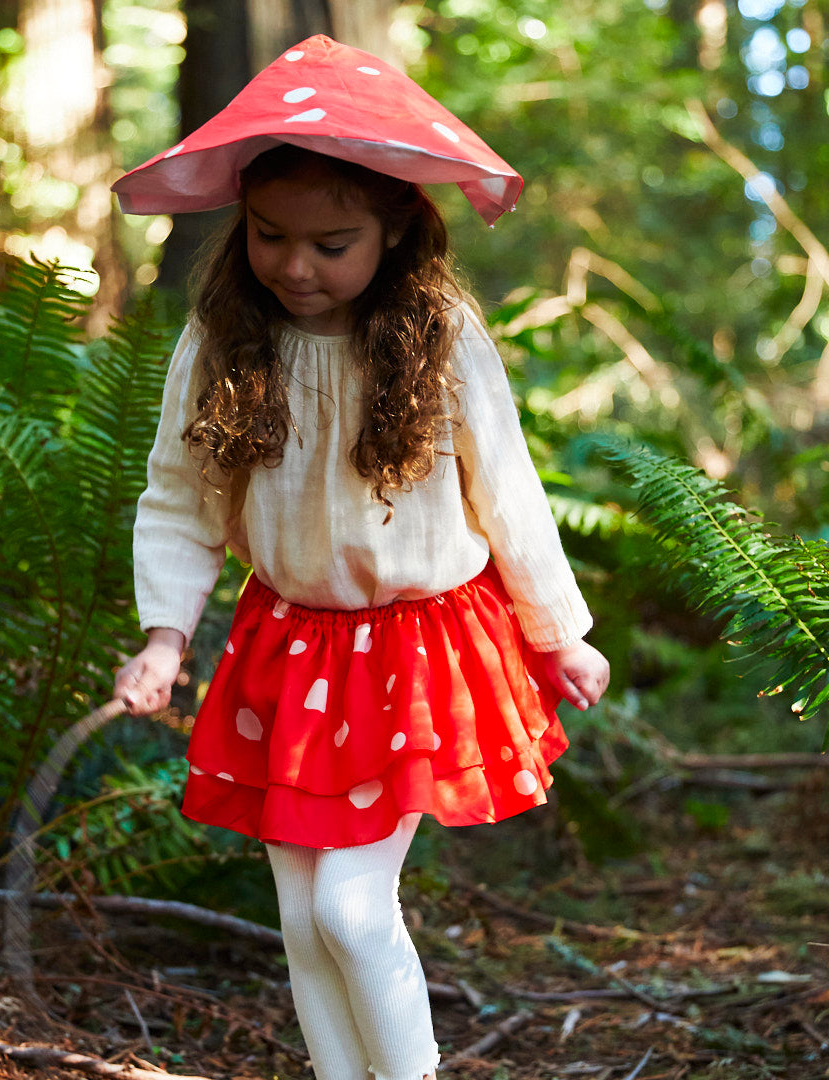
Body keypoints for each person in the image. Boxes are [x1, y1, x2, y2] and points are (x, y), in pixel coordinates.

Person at [112, 36, 609, 1080]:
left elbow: (507, 492)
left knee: (349, 903)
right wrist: (166, 635)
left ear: (395, 230)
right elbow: (181, 498)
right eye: (268, 236)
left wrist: (557, 632)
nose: (296, 266)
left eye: (331, 242)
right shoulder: (219, 343)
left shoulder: (440, 335)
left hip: (416, 648)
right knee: (301, 918)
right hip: (288, 646)